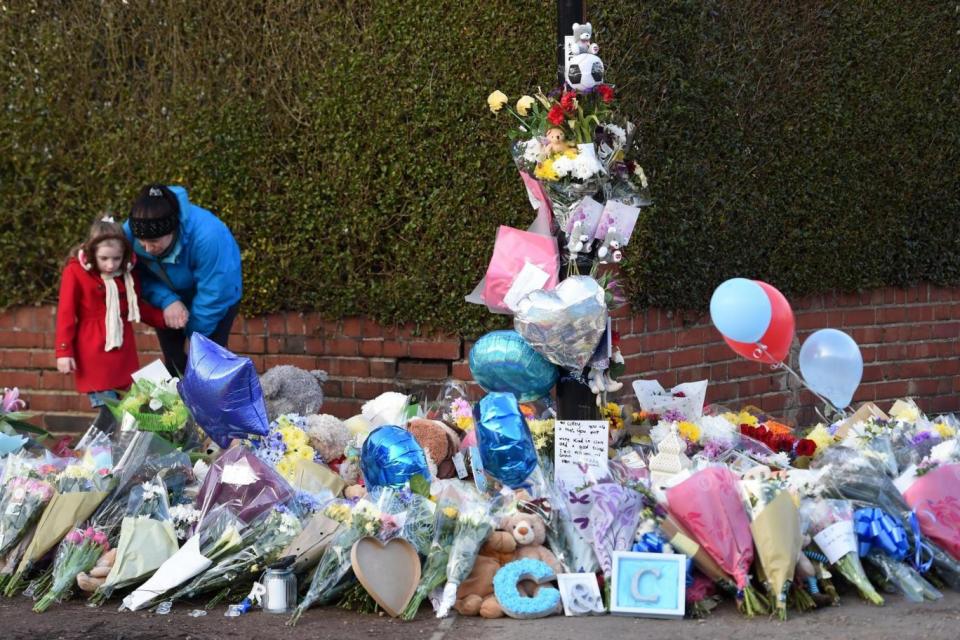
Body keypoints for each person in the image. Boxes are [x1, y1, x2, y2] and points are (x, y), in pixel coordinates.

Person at [55, 216, 167, 431]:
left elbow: (137, 307)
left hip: (123, 351)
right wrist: (63, 351)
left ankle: (110, 458)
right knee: (109, 411)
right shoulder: (75, 271)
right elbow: (66, 314)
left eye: (116, 258)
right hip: (93, 350)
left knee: (126, 412)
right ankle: (90, 457)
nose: (110, 264)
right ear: (91, 253)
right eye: (104, 258)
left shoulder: (126, 273)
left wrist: (165, 319)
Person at [124, 184, 242, 376]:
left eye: (153, 242)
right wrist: (166, 300)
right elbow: (133, 276)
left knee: (209, 365)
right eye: (141, 242)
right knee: (174, 363)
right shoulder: (130, 232)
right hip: (167, 297)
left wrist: (195, 336)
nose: (146, 249)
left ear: (173, 229)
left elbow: (216, 291)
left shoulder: (209, 236)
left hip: (216, 297)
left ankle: (214, 402)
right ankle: (177, 402)